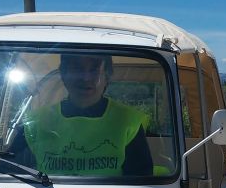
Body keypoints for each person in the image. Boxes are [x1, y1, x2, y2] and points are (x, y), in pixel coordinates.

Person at [9, 53, 153, 176]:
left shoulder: (127, 121)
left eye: (94, 69)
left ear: (107, 77)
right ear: (63, 75)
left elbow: (142, 184)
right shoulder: (36, 123)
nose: (85, 78)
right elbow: (7, 174)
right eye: (77, 69)